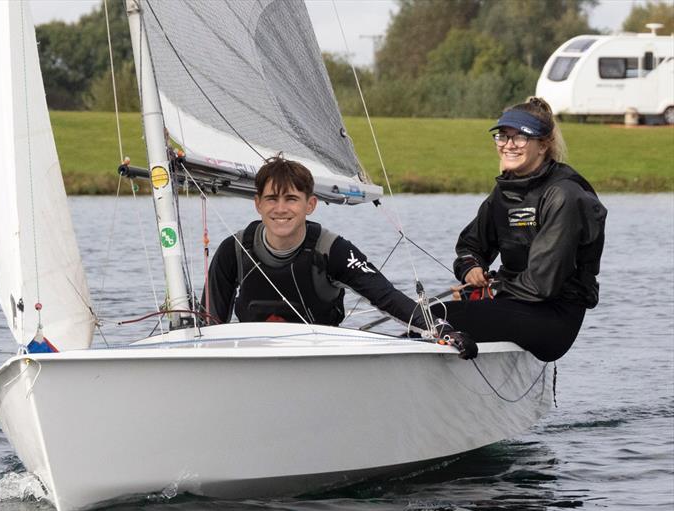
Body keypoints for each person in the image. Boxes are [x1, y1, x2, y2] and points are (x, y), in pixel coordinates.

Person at [202, 155, 478, 359]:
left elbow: (387, 297)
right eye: (272, 199)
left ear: (310, 205)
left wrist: (440, 328)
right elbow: (209, 321)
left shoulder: (331, 249)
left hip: (320, 358)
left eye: (291, 199)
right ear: (258, 204)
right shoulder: (234, 250)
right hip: (253, 359)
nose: (281, 209)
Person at [438, 97, 607, 362]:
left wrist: (491, 291)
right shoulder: (504, 191)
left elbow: (543, 283)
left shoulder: (565, 195)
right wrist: (471, 268)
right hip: (513, 305)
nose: (508, 145)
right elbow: (470, 246)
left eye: (520, 138)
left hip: (553, 317)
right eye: (503, 136)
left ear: (543, 145)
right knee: (428, 316)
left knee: (439, 316)